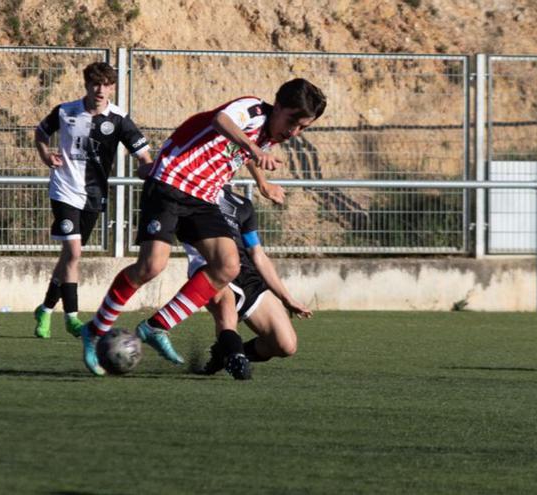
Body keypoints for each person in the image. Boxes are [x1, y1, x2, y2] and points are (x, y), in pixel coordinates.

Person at [79, 78, 326, 375]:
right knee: (151, 267)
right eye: (292, 122)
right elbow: (221, 120)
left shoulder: (268, 136)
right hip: (170, 182)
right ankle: (95, 329)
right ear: (279, 106)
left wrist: (261, 181)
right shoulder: (253, 109)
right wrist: (252, 147)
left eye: (303, 128)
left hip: (203, 198)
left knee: (228, 265)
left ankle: (156, 326)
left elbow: (246, 154)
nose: (294, 132)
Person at [32, 61, 152, 339]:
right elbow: (41, 132)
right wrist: (45, 154)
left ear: (112, 88)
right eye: (95, 84)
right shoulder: (65, 111)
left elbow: (143, 155)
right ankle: (72, 317)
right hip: (64, 190)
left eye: (107, 85)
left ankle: (46, 309)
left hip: (94, 196)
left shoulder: (118, 118)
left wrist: (148, 169)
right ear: (86, 85)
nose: (100, 90)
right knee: (73, 254)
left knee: (68, 258)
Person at [184, 186, 313, 380]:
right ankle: (234, 357)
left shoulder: (242, 205)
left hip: (246, 275)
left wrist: (286, 298)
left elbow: (258, 255)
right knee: (226, 312)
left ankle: (225, 353)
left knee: (286, 345)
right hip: (211, 268)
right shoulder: (188, 191)